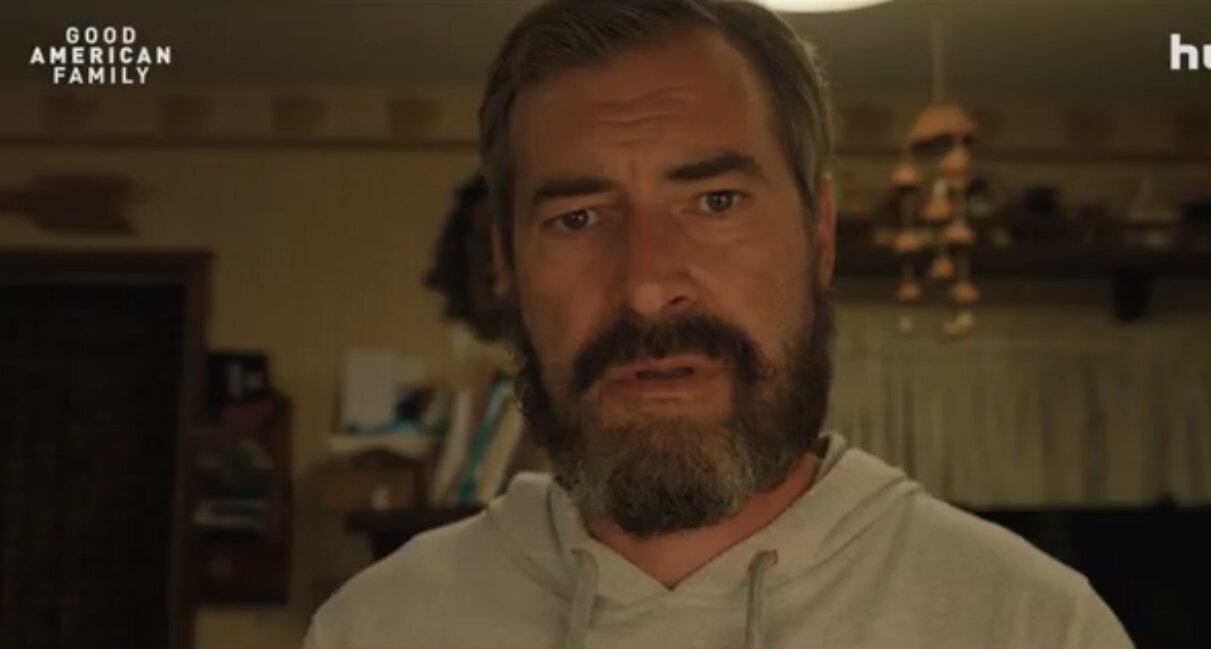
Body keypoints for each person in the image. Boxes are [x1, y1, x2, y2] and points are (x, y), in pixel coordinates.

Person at [305, 1, 1133, 647]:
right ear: (507, 265)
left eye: (716, 202)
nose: (647, 287)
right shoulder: (374, 628)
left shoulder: (1033, 624)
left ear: (818, 236)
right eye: (578, 218)